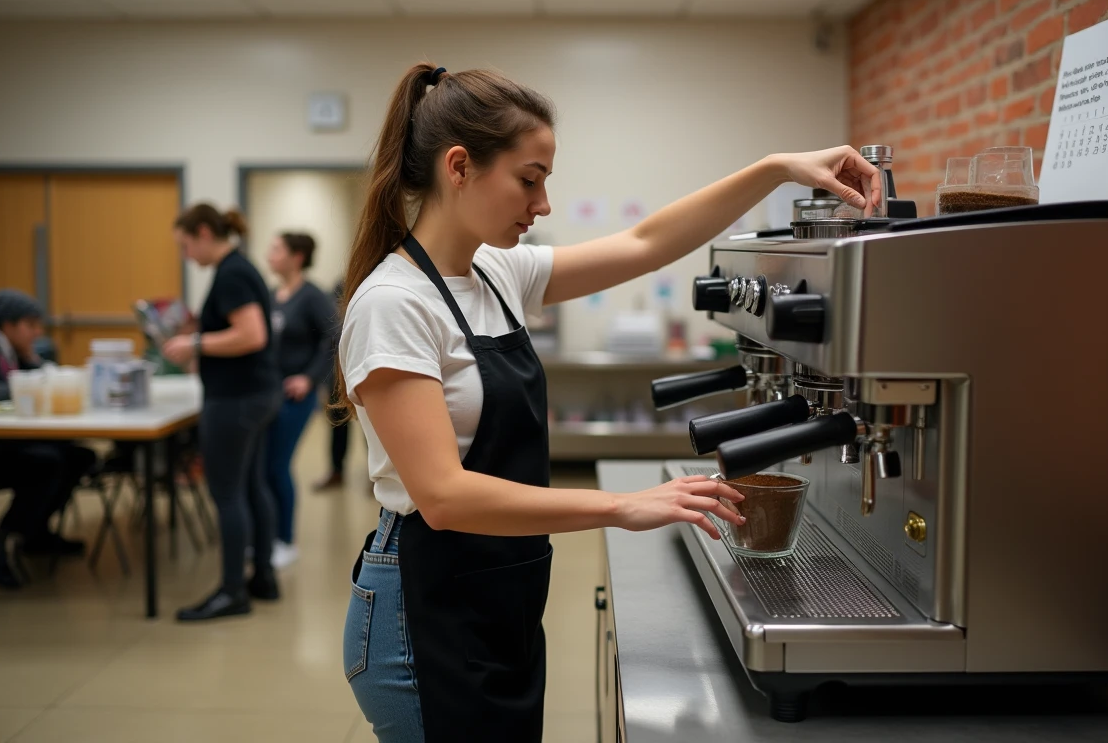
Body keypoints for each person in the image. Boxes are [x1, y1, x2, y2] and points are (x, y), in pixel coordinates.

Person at [336, 63, 882, 741]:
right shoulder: (394, 305)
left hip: (492, 596)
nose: (542, 205)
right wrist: (623, 507)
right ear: (459, 167)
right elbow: (443, 496)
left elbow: (645, 243)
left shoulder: (495, 272)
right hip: (419, 609)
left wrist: (774, 169)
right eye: (529, 179)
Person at [162, 205, 281, 622]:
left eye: (185, 244)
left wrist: (194, 345)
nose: (186, 254)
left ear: (204, 233)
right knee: (251, 487)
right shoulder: (239, 268)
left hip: (235, 400)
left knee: (227, 494)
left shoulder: (231, 272)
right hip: (257, 394)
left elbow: (251, 334)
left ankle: (232, 591)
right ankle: (262, 577)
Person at [0, 289, 90, 589]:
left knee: (77, 457)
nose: (38, 332)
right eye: (31, 324)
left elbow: (35, 382)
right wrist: (31, 381)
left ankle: (35, 535)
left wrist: (32, 364)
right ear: (7, 325)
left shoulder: (12, 350)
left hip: (1, 444)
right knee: (46, 464)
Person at [264, 232, 334, 567]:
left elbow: (332, 338)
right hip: (268, 393)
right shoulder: (273, 295)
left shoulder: (312, 296)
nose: (270, 255)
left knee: (278, 465)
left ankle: (285, 541)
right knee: (264, 467)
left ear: (297, 256)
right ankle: (266, 536)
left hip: (295, 398)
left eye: (277, 249)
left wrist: (308, 377)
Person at [313, 279, 348, 493]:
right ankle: (336, 471)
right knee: (337, 422)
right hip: (337, 373)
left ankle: (375, 476)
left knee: (371, 426)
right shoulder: (339, 285)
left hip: (365, 369)